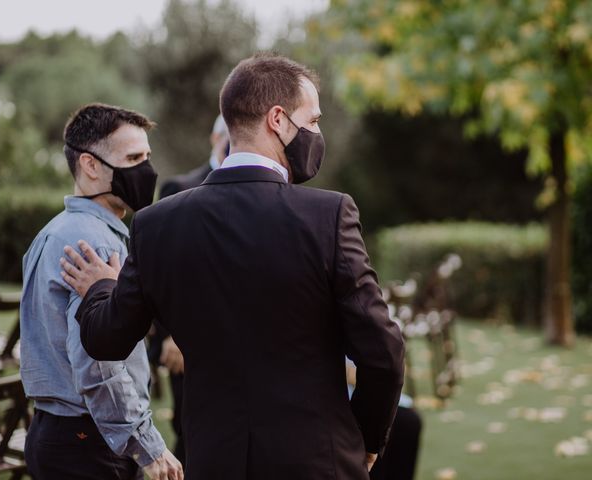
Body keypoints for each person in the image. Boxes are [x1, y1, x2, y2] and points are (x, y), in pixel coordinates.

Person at [61, 54, 405, 479]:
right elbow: (384, 354)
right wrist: (367, 439)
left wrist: (99, 288)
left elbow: (107, 340)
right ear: (278, 120)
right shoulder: (329, 215)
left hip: (213, 461)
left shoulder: (156, 224)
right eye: (312, 120)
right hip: (319, 462)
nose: (317, 132)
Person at [20, 103, 182, 480]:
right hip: (90, 442)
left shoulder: (52, 232)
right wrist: (147, 446)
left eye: (147, 157)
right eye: (133, 158)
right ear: (90, 166)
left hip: (54, 432)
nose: (146, 170)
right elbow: (98, 363)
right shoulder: (95, 245)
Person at [149, 114, 230, 464]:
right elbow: (161, 271)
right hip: (185, 344)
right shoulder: (179, 188)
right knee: (192, 432)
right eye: (228, 133)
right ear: (215, 137)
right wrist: (172, 336)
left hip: (234, 339)